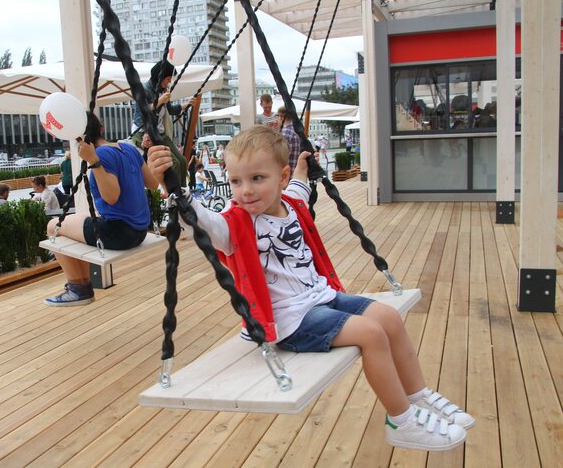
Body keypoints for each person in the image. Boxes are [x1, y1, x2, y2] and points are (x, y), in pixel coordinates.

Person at [146, 125, 473, 452]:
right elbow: (199, 219)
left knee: (388, 317)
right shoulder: (234, 225)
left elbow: (300, 187)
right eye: (235, 181)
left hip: (321, 297)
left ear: (281, 177)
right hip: (289, 320)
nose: (245, 191)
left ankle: (418, 396)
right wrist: (167, 183)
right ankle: (401, 422)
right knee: (372, 334)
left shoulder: (292, 204)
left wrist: (304, 165)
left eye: (257, 178)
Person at [45, 112, 160, 306]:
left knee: (53, 226)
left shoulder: (102, 155)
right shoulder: (128, 148)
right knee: (77, 219)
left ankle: (78, 289)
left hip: (120, 234)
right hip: (140, 230)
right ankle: (82, 285)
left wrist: (93, 161)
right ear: (101, 128)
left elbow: (112, 197)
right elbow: (153, 184)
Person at [131, 60, 195, 184]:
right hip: (143, 132)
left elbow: (170, 110)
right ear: (159, 77)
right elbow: (143, 112)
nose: (169, 82)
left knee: (182, 161)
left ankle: (182, 189)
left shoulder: (163, 91)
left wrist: (186, 105)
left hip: (158, 132)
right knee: (173, 163)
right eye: (168, 79)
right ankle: (173, 192)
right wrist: (160, 101)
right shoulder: (143, 89)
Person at [276, 106, 301, 177]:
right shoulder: (296, 130)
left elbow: (279, 157)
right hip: (295, 174)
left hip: (286, 176)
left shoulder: (285, 133)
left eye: (277, 116)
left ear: (281, 117)